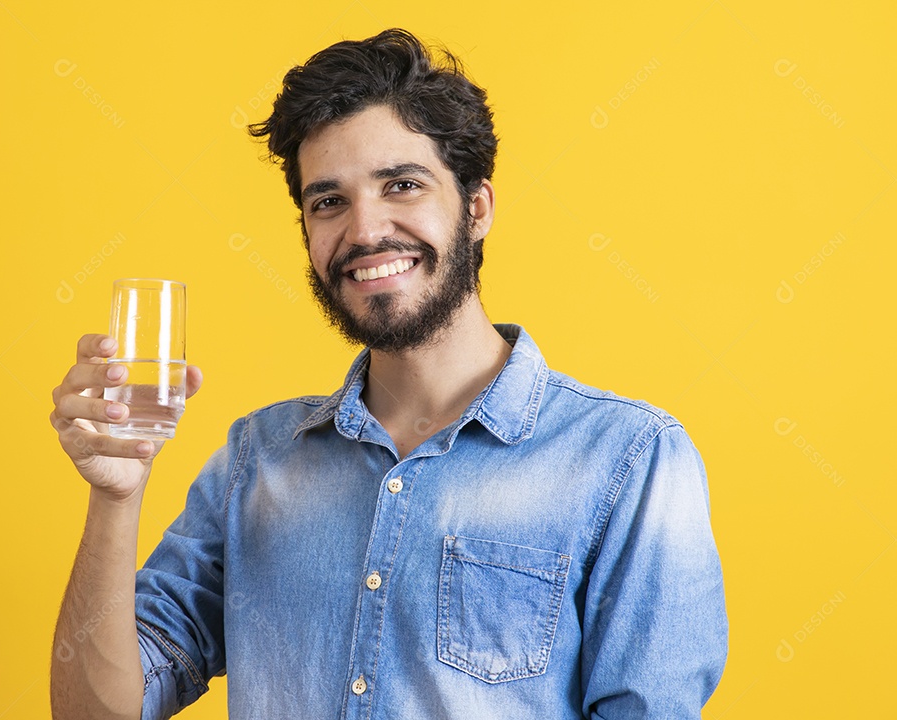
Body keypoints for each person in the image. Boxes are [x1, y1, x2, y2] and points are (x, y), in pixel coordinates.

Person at [50, 28, 727, 720]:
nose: (366, 230)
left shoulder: (629, 460)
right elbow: (100, 713)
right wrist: (116, 495)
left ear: (477, 208)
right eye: (328, 201)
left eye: (401, 185)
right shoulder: (256, 462)